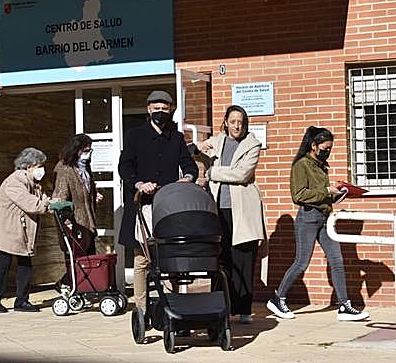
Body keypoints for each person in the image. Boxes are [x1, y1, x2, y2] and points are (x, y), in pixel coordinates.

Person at [266, 126, 369, 321]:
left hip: (324, 218)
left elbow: (321, 192)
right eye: (325, 148)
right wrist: (327, 191)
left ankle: (344, 305)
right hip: (308, 219)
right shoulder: (301, 165)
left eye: (330, 148)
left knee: (337, 261)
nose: (327, 151)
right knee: (301, 262)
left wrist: (340, 191)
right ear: (313, 145)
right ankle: (278, 298)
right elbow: (298, 195)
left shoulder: (321, 165)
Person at [118, 90, 198, 312]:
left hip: (167, 206)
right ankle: (142, 309)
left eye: (165, 109)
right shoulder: (135, 135)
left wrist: (188, 177)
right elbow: (125, 166)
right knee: (142, 260)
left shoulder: (177, 137)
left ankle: (172, 306)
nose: (160, 113)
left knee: (169, 257)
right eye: (156, 109)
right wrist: (138, 183)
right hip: (141, 203)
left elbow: (188, 164)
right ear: (148, 109)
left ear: (170, 110)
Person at [198, 105, 265, 324]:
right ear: (225, 122)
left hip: (243, 210)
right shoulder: (217, 141)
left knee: (243, 258)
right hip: (219, 209)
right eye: (233, 121)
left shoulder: (252, 145)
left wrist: (213, 173)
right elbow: (197, 150)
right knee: (221, 259)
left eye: (241, 122)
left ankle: (244, 308)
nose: (237, 126)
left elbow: (242, 174)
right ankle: (221, 306)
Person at [0, 147, 50, 313]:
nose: (41, 170)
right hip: (8, 229)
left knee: (25, 265)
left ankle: (22, 300)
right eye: (39, 166)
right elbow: (31, 203)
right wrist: (46, 205)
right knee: (2, 265)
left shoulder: (33, 183)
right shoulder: (15, 181)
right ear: (29, 166)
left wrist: (50, 203)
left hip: (21, 231)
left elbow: (42, 200)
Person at [52, 134, 103, 290]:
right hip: (75, 221)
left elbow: (85, 188)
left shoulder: (84, 167)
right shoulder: (64, 169)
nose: (88, 154)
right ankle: (68, 285)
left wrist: (94, 194)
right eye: (85, 150)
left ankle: (83, 287)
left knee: (88, 257)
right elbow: (60, 196)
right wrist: (67, 222)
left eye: (90, 150)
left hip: (87, 220)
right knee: (77, 258)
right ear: (76, 150)